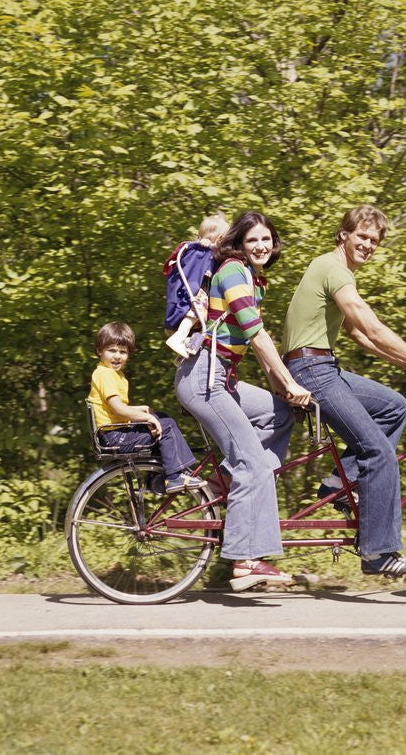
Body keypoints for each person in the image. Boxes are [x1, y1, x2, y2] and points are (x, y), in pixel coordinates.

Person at [280, 204, 406, 577]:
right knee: (379, 453)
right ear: (343, 234)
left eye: (374, 240)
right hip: (312, 369)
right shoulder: (333, 269)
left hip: (321, 365)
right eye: (362, 236)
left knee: (394, 406)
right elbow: (372, 327)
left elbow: (355, 334)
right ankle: (379, 552)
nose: (368, 244)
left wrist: (404, 363)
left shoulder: (334, 270)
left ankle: (338, 485)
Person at [174, 210, 312, 592]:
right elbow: (256, 335)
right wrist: (289, 380)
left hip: (222, 378)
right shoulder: (233, 271)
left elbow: (257, 346)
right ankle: (247, 560)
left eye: (266, 239)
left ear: (274, 242)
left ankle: (234, 486)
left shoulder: (253, 279)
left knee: (279, 413)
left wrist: (285, 392)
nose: (261, 246)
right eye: (253, 240)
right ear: (240, 243)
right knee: (256, 465)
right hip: (204, 378)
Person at [88, 322, 205, 494]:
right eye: (112, 350)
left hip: (114, 433)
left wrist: (141, 409)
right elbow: (119, 410)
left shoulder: (113, 374)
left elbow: (112, 407)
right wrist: (147, 418)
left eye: (123, 352)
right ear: (99, 351)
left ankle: (156, 478)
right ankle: (174, 477)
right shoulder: (105, 374)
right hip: (114, 436)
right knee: (167, 426)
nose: (117, 356)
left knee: (162, 418)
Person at [162, 213, 231, 357]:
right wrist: (204, 244)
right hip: (195, 297)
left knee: (204, 315)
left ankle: (185, 342)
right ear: (219, 239)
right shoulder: (200, 250)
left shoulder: (209, 253)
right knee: (199, 308)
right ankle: (179, 336)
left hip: (198, 299)